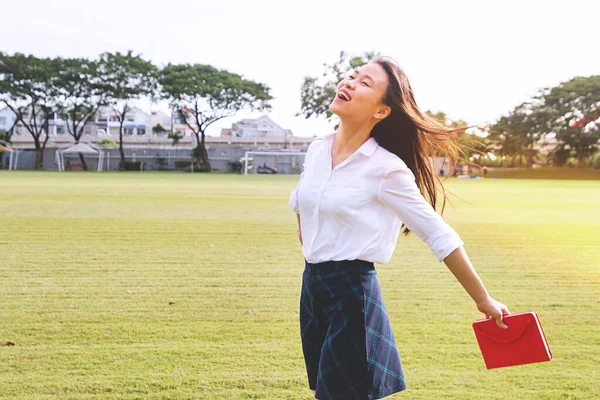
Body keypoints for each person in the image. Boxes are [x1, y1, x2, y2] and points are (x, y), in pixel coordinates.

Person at [289, 57, 510, 400]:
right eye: (352, 76)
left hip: (352, 294)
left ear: (381, 112)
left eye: (365, 83)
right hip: (313, 289)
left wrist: (484, 299)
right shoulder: (318, 149)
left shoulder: (386, 169)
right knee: (329, 391)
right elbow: (301, 200)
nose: (349, 83)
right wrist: (313, 240)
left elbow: (438, 234)